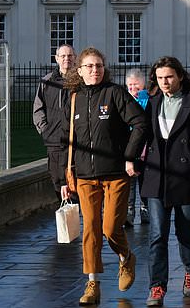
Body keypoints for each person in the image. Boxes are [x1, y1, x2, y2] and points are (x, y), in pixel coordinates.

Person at [61, 47, 148, 306]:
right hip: (85, 176)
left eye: (98, 65)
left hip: (115, 174)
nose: (94, 70)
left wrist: (129, 156)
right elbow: (65, 141)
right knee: (91, 230)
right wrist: (64, 179)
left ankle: (125, 257)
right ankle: (92, 283)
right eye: (89, 66)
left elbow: (141, 123)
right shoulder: (73, 98)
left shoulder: (115, 93)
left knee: (110, 228)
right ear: (79, 70)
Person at [141, 56, 190, 307]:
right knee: (156, 234)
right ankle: (157, 286)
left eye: (169, 77)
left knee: (185, 230)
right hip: (156, 176)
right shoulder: (152, 103)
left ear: (180, 76)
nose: (165, 82)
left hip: (185, 177)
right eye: (160, 78)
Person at [33, 44, 74, 197]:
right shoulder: (47, 81)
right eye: (63, 56)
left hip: (77, 139)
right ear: (56, 59)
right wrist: (45, 130)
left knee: (76, 182)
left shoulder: (80, 81)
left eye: (70, 56)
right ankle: (66, 217)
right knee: (57, 181)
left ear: (75, 58)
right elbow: (38, 107)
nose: (66, 59)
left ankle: (78, 218)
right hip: (54, 140)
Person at [125, 69, 151, 227]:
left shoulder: (148, 101)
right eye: (130, 86)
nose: (133, 90)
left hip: (145, 148)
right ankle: (129, 211)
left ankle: (145, 208)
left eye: (137, 86)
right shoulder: (124, 100)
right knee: (129, 182)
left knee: (145, 181)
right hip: (129, 148)